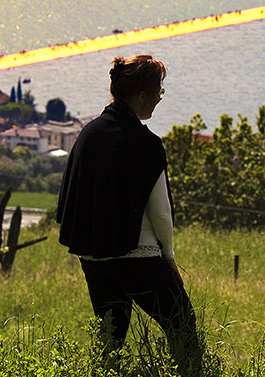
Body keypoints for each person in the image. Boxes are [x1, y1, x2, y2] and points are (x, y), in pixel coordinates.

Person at [56, 53, 202, 374]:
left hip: (93, 258)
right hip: (138, 257)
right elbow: (161, 213)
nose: (159, 100)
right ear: (141, 96)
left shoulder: (87, 134)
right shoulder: (146, 143)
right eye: (158, 94)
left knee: (110, 341)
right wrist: (169, 258)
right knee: (183, 328)